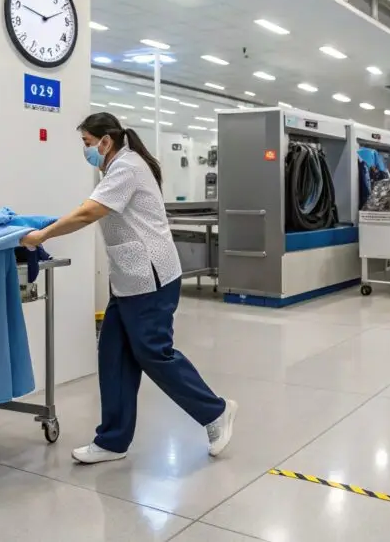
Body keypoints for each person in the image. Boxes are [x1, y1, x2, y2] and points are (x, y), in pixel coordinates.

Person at [20, 112, 237, 464]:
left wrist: (43, 235)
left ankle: (215, 411)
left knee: (153, 353)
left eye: (88, 144)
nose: (87, 151)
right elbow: (89, 210)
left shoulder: (127, 167)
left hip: (150, 278)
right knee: (114, 356)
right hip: (128, 279)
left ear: (107, 140)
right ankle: (112, 441)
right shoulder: (118, 166)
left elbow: (88, 212)